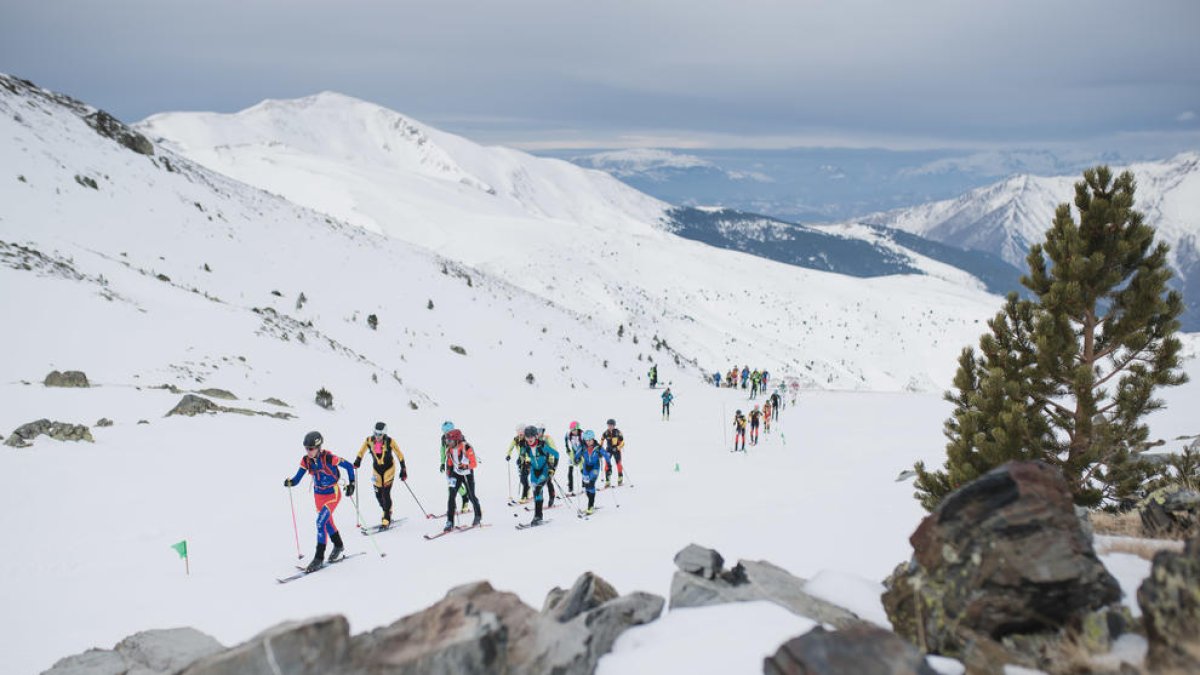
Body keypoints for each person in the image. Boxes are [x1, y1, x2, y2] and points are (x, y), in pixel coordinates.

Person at [285, 431, 356, 572]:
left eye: (311, 448)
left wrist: (352, 484)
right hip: (318, 495)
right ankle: (338, 545)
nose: (308, 451)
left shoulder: (329, 458)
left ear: (318, 447)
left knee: (320, 522)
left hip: (332, 494)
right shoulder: (306, 461)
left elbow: (349, 466)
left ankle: (319, 557)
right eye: (306, 448)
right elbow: (297, 479)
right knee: (327, 522)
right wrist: (290, 482)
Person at [354, 422, 407, 527]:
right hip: (376, 471)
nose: (377, 436)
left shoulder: (390, 441)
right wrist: (358, 460)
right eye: (375, 433)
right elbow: (361, 451)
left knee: (386, 493)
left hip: (389, 469)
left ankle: (386, 517)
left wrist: (403, 468)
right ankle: (387, 510)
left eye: (380, 434)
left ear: (384, 434)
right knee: (378, 494)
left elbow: (399, 454)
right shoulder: (369, 440)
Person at [442, 429, 482, 531]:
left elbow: (474, 464)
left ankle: (478, 516)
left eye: (450, 441)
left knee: (471, 495)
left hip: (467, 474)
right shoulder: (449, 449)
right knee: (451, 496)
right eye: (447, 441)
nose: (448, 443)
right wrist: (449, 472)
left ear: (457, 440)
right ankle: (450, 521)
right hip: (456, 474)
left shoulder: (466, 447)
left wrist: (465, 466)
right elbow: (450, 462)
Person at [522, 425, 559, 525]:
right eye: (527, 437)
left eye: (531, 436)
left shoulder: (542, 446)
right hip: (534, 472)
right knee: (537, 493)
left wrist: (553, 469)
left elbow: (556, 454)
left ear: (536, 436)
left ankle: (538, 516)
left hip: (544, 470)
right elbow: (523, 456)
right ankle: (538, 516)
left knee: (538, 489)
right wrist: (525, 465)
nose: (529, 439)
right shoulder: (526, 447)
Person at [575, 430, 611, 514]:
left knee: (591, 484)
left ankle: (590, 506)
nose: (588, 442)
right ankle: (591, 503)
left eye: (589, 440)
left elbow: (606, 455)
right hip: (586, 468)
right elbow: (577, 454)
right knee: (586, 486)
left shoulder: (598, 447)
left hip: (595, 467)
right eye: (586, 440)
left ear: (593, 439)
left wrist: (609, 465)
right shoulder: (582, 446)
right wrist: (576, 459)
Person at [439, 421, 470, 513]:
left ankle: (465, 498)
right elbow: (442, 451)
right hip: (449, 464)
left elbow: (466, 450)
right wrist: (442, 463)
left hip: (459, 464)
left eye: (447, 431)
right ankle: (452, 506)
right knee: (451, 484)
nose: (446, 434)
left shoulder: (459, 437)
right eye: (444, 432)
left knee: (457, 483)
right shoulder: (443, 439)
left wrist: (466, 463)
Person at [506, 423, 532, 502]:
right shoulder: (516, 439)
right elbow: (511, 447)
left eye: (521, 432)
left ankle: (524, 496)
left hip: (528, 461)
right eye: (518, 431)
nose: (520, 433)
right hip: (521, 461)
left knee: (524, 477)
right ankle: (527, 490)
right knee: (522, 479)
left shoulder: (528, 439)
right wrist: (508, 454)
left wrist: (528, 460)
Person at [602, 418, 626, 486]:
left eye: (611, 425)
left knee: (618, 463)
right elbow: (601, 440)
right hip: (609, 450)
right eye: (608, 425)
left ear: (614, 425)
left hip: (616, 450)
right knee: (607, 464)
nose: (610, 426)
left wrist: (617, 448)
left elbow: (623, 443)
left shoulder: (618, 432)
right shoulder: (605, 433)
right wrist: (600, 448)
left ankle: (620, 478)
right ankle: (607, 480)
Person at [563, 421, 584, 493]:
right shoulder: (568, 434)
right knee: (570, 469)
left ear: (578, 429)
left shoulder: (582, 435)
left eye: (574, 430)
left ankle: (584, 486)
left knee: (583, 470)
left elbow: (584, 446)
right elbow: (565, 439)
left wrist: (579, 457)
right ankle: (570, 487)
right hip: (573, 453)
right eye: (571, 430)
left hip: (581, 453)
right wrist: (567, 449)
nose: (573, 431)